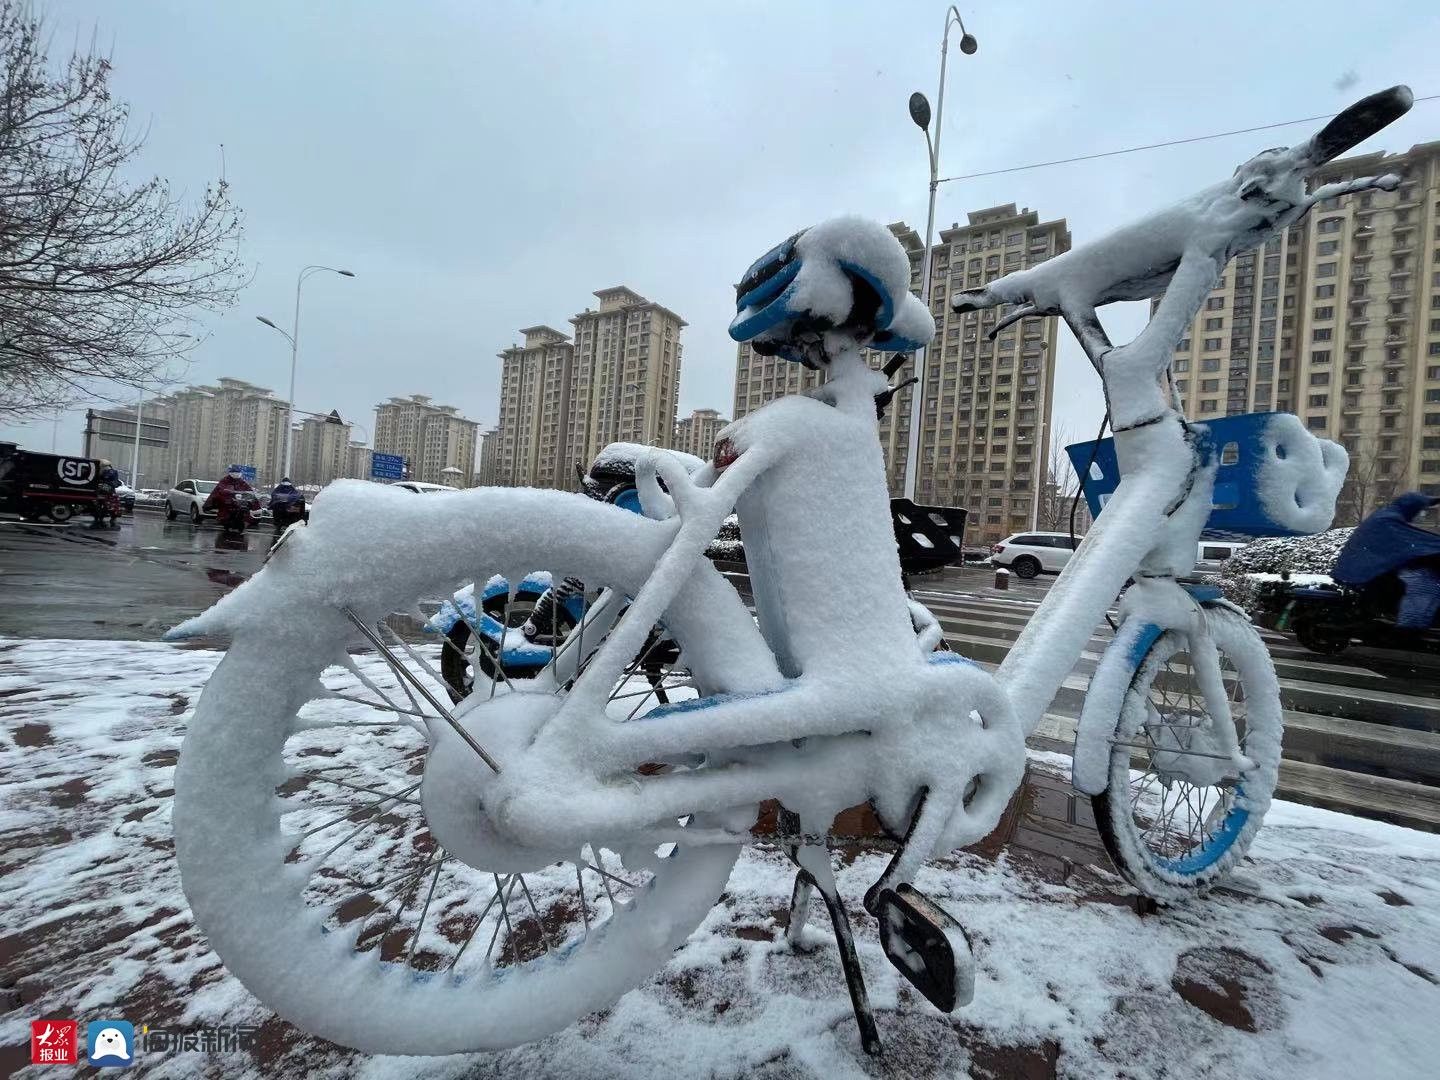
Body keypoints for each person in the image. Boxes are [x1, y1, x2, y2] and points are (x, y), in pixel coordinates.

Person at [1333, 491, 1440, 629]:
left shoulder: (1388, 515)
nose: (1418, 513)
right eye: (1418, 509)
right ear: (1411, 507)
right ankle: (1408, 625)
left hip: (1363, 568)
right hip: (1364, 572)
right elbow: (1414, 540)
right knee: (1422, 584)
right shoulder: (1388, 520)